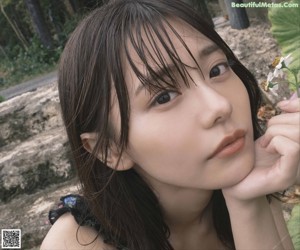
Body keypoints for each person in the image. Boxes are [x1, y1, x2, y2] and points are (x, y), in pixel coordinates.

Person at [41, 0, 300, 249]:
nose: (219, 106)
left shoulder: (245, 176)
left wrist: (247, 203)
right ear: (110, 149)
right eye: (163, 97)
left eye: (217, 70)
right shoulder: (76, 242)